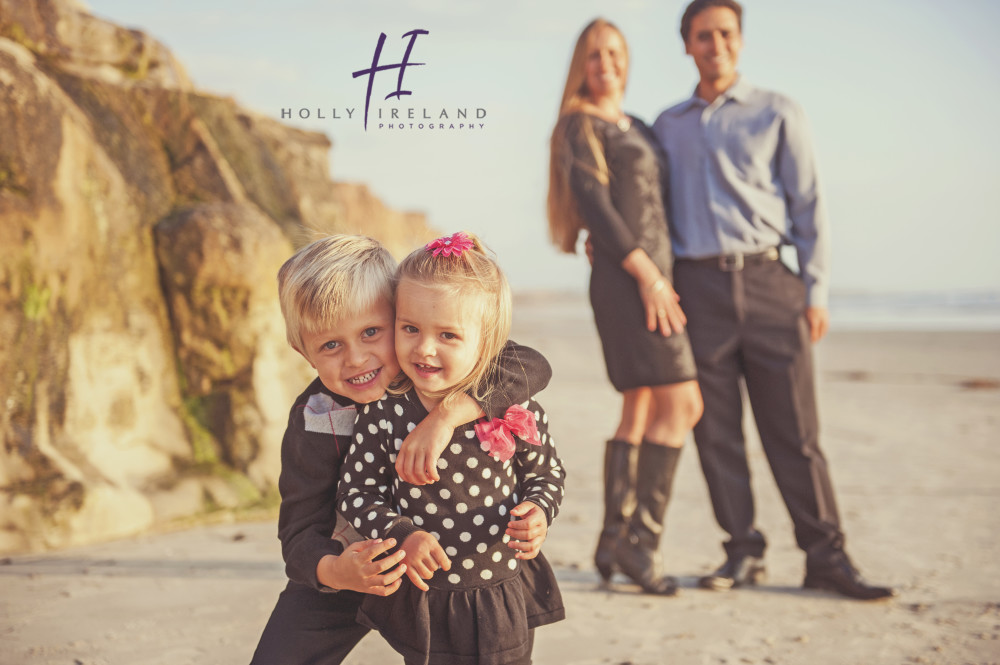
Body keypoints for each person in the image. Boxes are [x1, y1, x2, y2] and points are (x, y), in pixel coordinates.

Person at [652, 0, 896, 600]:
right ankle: (741, 550)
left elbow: (809, 206)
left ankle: (827, 557)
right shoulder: (667, 125)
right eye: (704, 36)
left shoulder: (778, 112)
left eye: (726, 34)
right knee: (717, 434)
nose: (716, 45)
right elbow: (647, 207)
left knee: (795, 433)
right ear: (687, 45)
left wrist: (815, 292)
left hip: (770, 284)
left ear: (740, 41)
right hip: (697, 292)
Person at [250, 234, 554, 664]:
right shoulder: (316, 419)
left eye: (372, 332)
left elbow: (531, 364)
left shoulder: (434, 374)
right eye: (330, 345)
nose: (357, 359)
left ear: (402, 316)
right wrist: (336, 570)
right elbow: (299, 531)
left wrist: (446, 415)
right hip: (353, 561)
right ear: (303, 351)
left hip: (442, 562)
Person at [337, 232, 565, 665]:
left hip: (500, 585)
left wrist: (539, 512)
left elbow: (546, 475)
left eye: (448, 335)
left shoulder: (512, 404)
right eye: (410, 328)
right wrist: (401, 535)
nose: (424, 348)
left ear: (488, 341)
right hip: (427, 596)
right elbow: (356, 493)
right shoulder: (385, 410)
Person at [547, 18, 703, 595]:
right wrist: (649, 278)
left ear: (626, 59)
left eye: (614, 52)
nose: (605, 63)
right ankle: (642, 545)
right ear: (581, 65)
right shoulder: (577, 124)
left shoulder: (637, 124)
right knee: (683, 404)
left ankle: (613, 540)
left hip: (650, 278)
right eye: (593, 55)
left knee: (640, 406)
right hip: (631, 283)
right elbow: (597, 207)